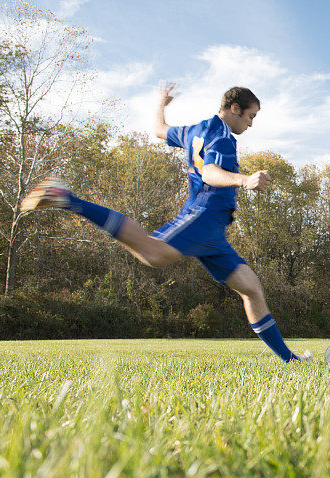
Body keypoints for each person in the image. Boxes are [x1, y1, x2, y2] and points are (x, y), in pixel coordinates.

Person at [20, 83, 312, 362]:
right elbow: (210, 173)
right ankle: (67, 198)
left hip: (214, 232)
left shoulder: (195, 130)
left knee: (251, 289)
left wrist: (160, 103)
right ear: (235, 108)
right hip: (204, 215)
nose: (251, 123)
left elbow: (159, 130)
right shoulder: (223, 138)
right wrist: (245, 179)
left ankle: (289, 360)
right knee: (153, 252)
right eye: (251, 116)